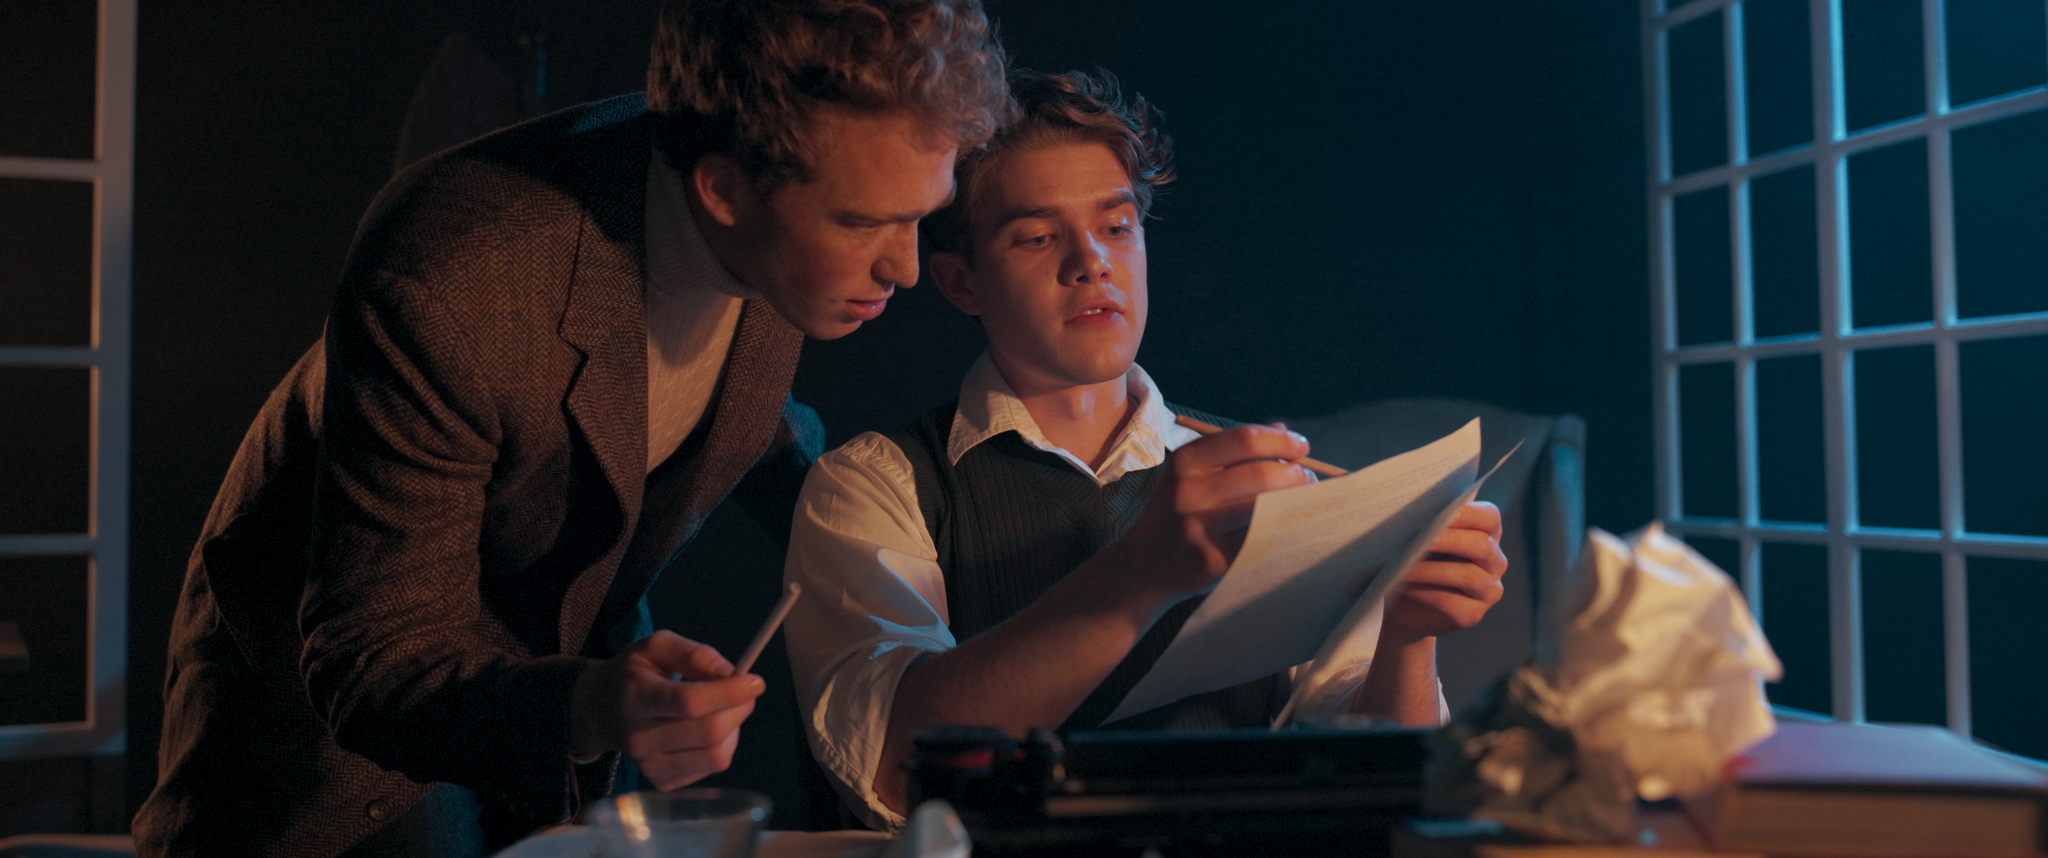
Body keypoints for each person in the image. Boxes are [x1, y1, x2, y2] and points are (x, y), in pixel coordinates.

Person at [134, 2, 1008, 856]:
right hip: (333, 741)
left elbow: (745, 411)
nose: (904, 264)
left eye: (918, 215)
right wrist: (594, 706)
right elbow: (377, 653)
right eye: (864, 223)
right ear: (724, 190)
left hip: (561, 692)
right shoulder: (455, 279)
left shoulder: (786, 211)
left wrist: (888, 536)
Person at [782, 69, 1510, 829]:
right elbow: (892, 776)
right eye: (1036, 236)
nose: (1091, 261)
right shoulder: (873, 486)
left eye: (1117, 226)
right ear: (962, 282)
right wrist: (1143, 569)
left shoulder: (1270, 475)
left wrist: (1407, 632)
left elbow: (1378, 782)